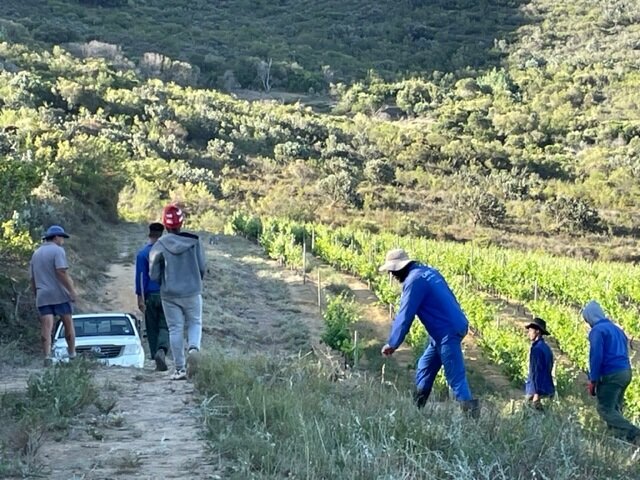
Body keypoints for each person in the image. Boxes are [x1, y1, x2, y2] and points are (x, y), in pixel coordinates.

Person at [379, 248, 479, 416]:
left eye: (393, 271)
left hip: (446, 331)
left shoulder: (413, 281)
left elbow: (405, 314)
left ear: (400, 268)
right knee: (424, 366)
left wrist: (393, 343)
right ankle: (416, 411)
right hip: (444, 330)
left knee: (456, 377)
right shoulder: (428, 272)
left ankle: (472, 419)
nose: (393, 276)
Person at [149, 204, 206, 380]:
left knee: (175, 329)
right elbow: (202, 267)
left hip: (169, 293)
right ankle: (194, 348)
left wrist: (164, 282)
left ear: (165, 226)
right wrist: (195, 280)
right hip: (192, 291)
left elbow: (153, 273)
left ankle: (180, 369)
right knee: (195, 322)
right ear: (181, 223)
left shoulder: (159, 245)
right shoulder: (194, 241)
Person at [582, 300, 640, 444]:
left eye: (586, 320)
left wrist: (593, 379)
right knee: (615, 407)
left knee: (605, 408)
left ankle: (634, 432)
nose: (588, 323)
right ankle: (620, 440)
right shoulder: (616, 329)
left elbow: (596, 355)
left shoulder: (597, 331)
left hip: (611, 373)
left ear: (590, 317)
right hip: (625, 372)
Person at [29, 225, 78, 366]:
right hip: (59, 294)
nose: (63, 240)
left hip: (43, 294)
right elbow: (61, 272)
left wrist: (36, 293)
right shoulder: (58, 251)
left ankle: (47, 356)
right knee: (68, 323)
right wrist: (72, 291)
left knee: (46, 326)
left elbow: (32, 278)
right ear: (56, 237)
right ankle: (72, 355)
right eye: (62, 237)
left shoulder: (36, 253)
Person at [135, 222, 170, 371]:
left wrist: (140, 298)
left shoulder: (142, 253)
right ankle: (162, 350)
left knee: (151, 327)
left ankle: (155, 355)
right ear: (162, 235)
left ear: (149, 234)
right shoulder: (167, 252)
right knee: (165, 325)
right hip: (166, 294)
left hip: (150, 295)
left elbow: (140, 278)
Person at [524, 317, 555, 409]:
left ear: (537, 331)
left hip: (536, 392)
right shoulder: (546, 348)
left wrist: (536, 393)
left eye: (530, 331)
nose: (528, 333)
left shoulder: (536, 349)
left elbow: (536, 372)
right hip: (547, 389)